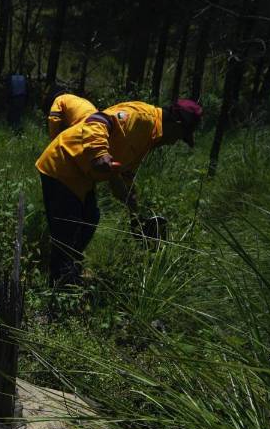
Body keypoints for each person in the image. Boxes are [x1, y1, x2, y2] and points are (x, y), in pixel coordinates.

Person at [36, 98, 202, 287]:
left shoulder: (149, 137)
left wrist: (130, 199)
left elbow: (122, 171)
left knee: (90, 221)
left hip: (82, 177)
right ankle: (59, 291)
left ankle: (69, 276)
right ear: (176, 124)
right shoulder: (141, 117)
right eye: (179, 136)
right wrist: (99, 153)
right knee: (67, 233)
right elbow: (97, 121)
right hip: (62, 164)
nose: (174, 143)